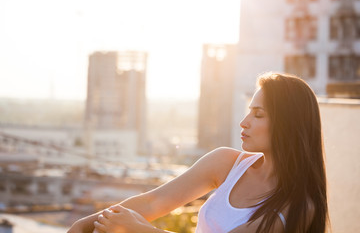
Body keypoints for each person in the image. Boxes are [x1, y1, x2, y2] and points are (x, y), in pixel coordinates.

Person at [68, 72, 328, 233]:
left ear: (288, 123)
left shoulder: (298, 207)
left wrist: (138, 230)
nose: (244, 121)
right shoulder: (227, 163)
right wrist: (86, 224)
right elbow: (153, 202)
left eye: (258, 114)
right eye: (249, 110)